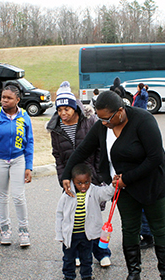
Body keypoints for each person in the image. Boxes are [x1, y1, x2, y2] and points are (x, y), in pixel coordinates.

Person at [61, 90, 165, 280]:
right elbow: (83, 150)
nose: (103, 123)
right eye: (100, 118)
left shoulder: (144, 121)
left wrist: (127, 178)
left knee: (160, 229)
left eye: (107, 118)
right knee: (129, 229)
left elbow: (155, 158)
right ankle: (134, 275)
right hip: (124, 188)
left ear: (120, 111)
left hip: (151, 184)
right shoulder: (103, 126)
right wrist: (67, 174)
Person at [46, 81, 111, 267]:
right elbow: (58, 156)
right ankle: (74, 253)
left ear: (75, 107)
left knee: (94, 217)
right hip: (71, 180)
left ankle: (101, 252)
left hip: (91, 178)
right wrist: (62, 178)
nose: (63, 113)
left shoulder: (90, 122)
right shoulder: (56, 129)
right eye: (59, 110)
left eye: (67, 108)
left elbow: (100, 150)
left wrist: (98, 176)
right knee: (72, 216)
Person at [0, 84, 34, 247]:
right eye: (3, 97)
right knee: (2, 196)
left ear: (17, 100)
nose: (5, 100)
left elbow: (30, 142)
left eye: (9, 98)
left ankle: (24, 231)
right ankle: (5, 230)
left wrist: (29, 166)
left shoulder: (24, 116)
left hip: (18, 159)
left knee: (19, 196)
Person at [56, 163, 115, 280]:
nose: (83, 186)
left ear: (91, 180)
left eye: (86, 182)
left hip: (86, 234)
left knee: (87, 257)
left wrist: (113, 185)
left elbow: (106, 193)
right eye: (79, 183)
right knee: (68, 258)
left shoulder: (94, 191)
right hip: (70, 235)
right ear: (73, 181)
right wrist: (59, 234)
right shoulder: (67, 194)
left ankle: (86, 277)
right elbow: (59, 214)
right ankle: (68, 277)